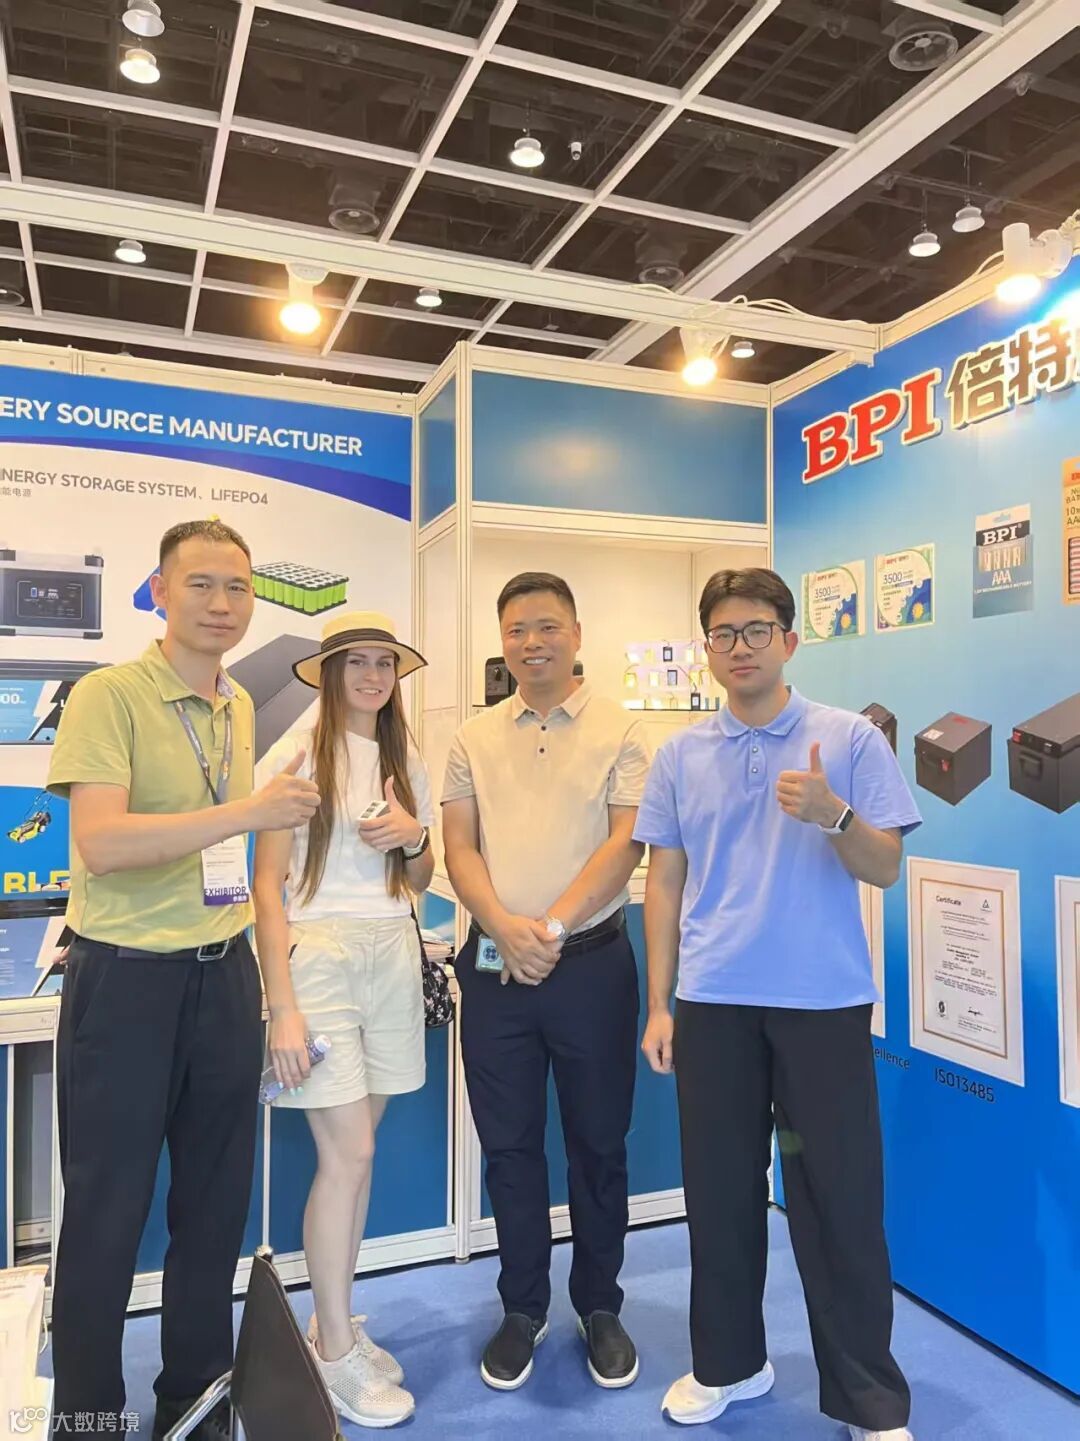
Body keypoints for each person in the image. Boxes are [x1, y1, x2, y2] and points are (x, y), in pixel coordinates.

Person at [46, 519, 321, 1441]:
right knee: (106, 1212)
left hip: (221, 976)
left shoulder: (236, 703)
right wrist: (247, 811)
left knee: (213, 1207)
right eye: (200, 583)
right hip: (125, 982)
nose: (221, 603)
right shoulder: (110, 694)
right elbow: (101, 842)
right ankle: (87, 1416)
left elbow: (222, 846)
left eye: (238, 587)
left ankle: (195, 1401)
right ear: (160, 592)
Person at [635, 567, 921, 1440]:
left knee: (839, 1198)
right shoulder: (680, 754)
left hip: (820, 1003)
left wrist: (834, 814)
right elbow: (664, 879)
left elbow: (884, 865)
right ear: (707, 649)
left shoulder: (848, 739)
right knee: (719, 1193)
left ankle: (869, 1400)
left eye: (757, 630)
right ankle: (727, 1363)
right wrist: (659, 1002)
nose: (741, 647)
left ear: (790, 640)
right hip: (713, 1002)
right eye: (723, 634)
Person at [441, 572, 651, 1393]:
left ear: (576, 633)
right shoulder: (472, 737)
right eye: (517, 629)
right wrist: (503, 926)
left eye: (548, 627)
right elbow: (459, 845)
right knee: (510, 1146)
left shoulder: (622, 729)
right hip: (497, 969)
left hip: (591, 964)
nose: (532, 642)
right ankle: (522, 1306)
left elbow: (626, 842)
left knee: (599, 1143)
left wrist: (551, 929)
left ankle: (599, 1303)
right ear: (503, 641)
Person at [253, 611, 434, 1428]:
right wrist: (282, 1006)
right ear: (328, 673)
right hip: (319, 956)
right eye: (356, 662)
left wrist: (413, 835)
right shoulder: (293, 755)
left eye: (383, 663)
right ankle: (331, 1350)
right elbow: (268, 887)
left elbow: (421, 874)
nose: (371, 675)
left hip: (393, 949)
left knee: (359, 1158)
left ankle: (339, 1326)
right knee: (348, 1151)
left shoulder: (405, 756)